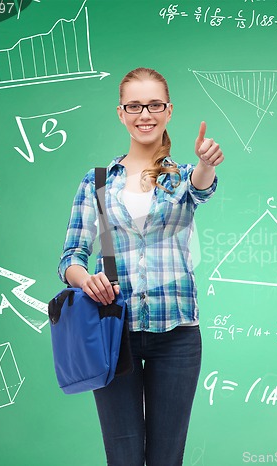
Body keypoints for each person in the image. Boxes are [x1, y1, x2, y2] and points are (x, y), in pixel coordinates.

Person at [57, 67, 224, 466]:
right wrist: (87, 281)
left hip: (177, 333)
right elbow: (71, 258)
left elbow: (201, 188)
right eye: (134, 105)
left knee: (167, 459)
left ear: (168, 111)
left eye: (154, 105)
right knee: (124, 457)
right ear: (121, 113)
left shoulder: (181, 177)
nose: (144, 114)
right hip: (114, 334)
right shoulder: (97, 181)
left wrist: (206, 163)